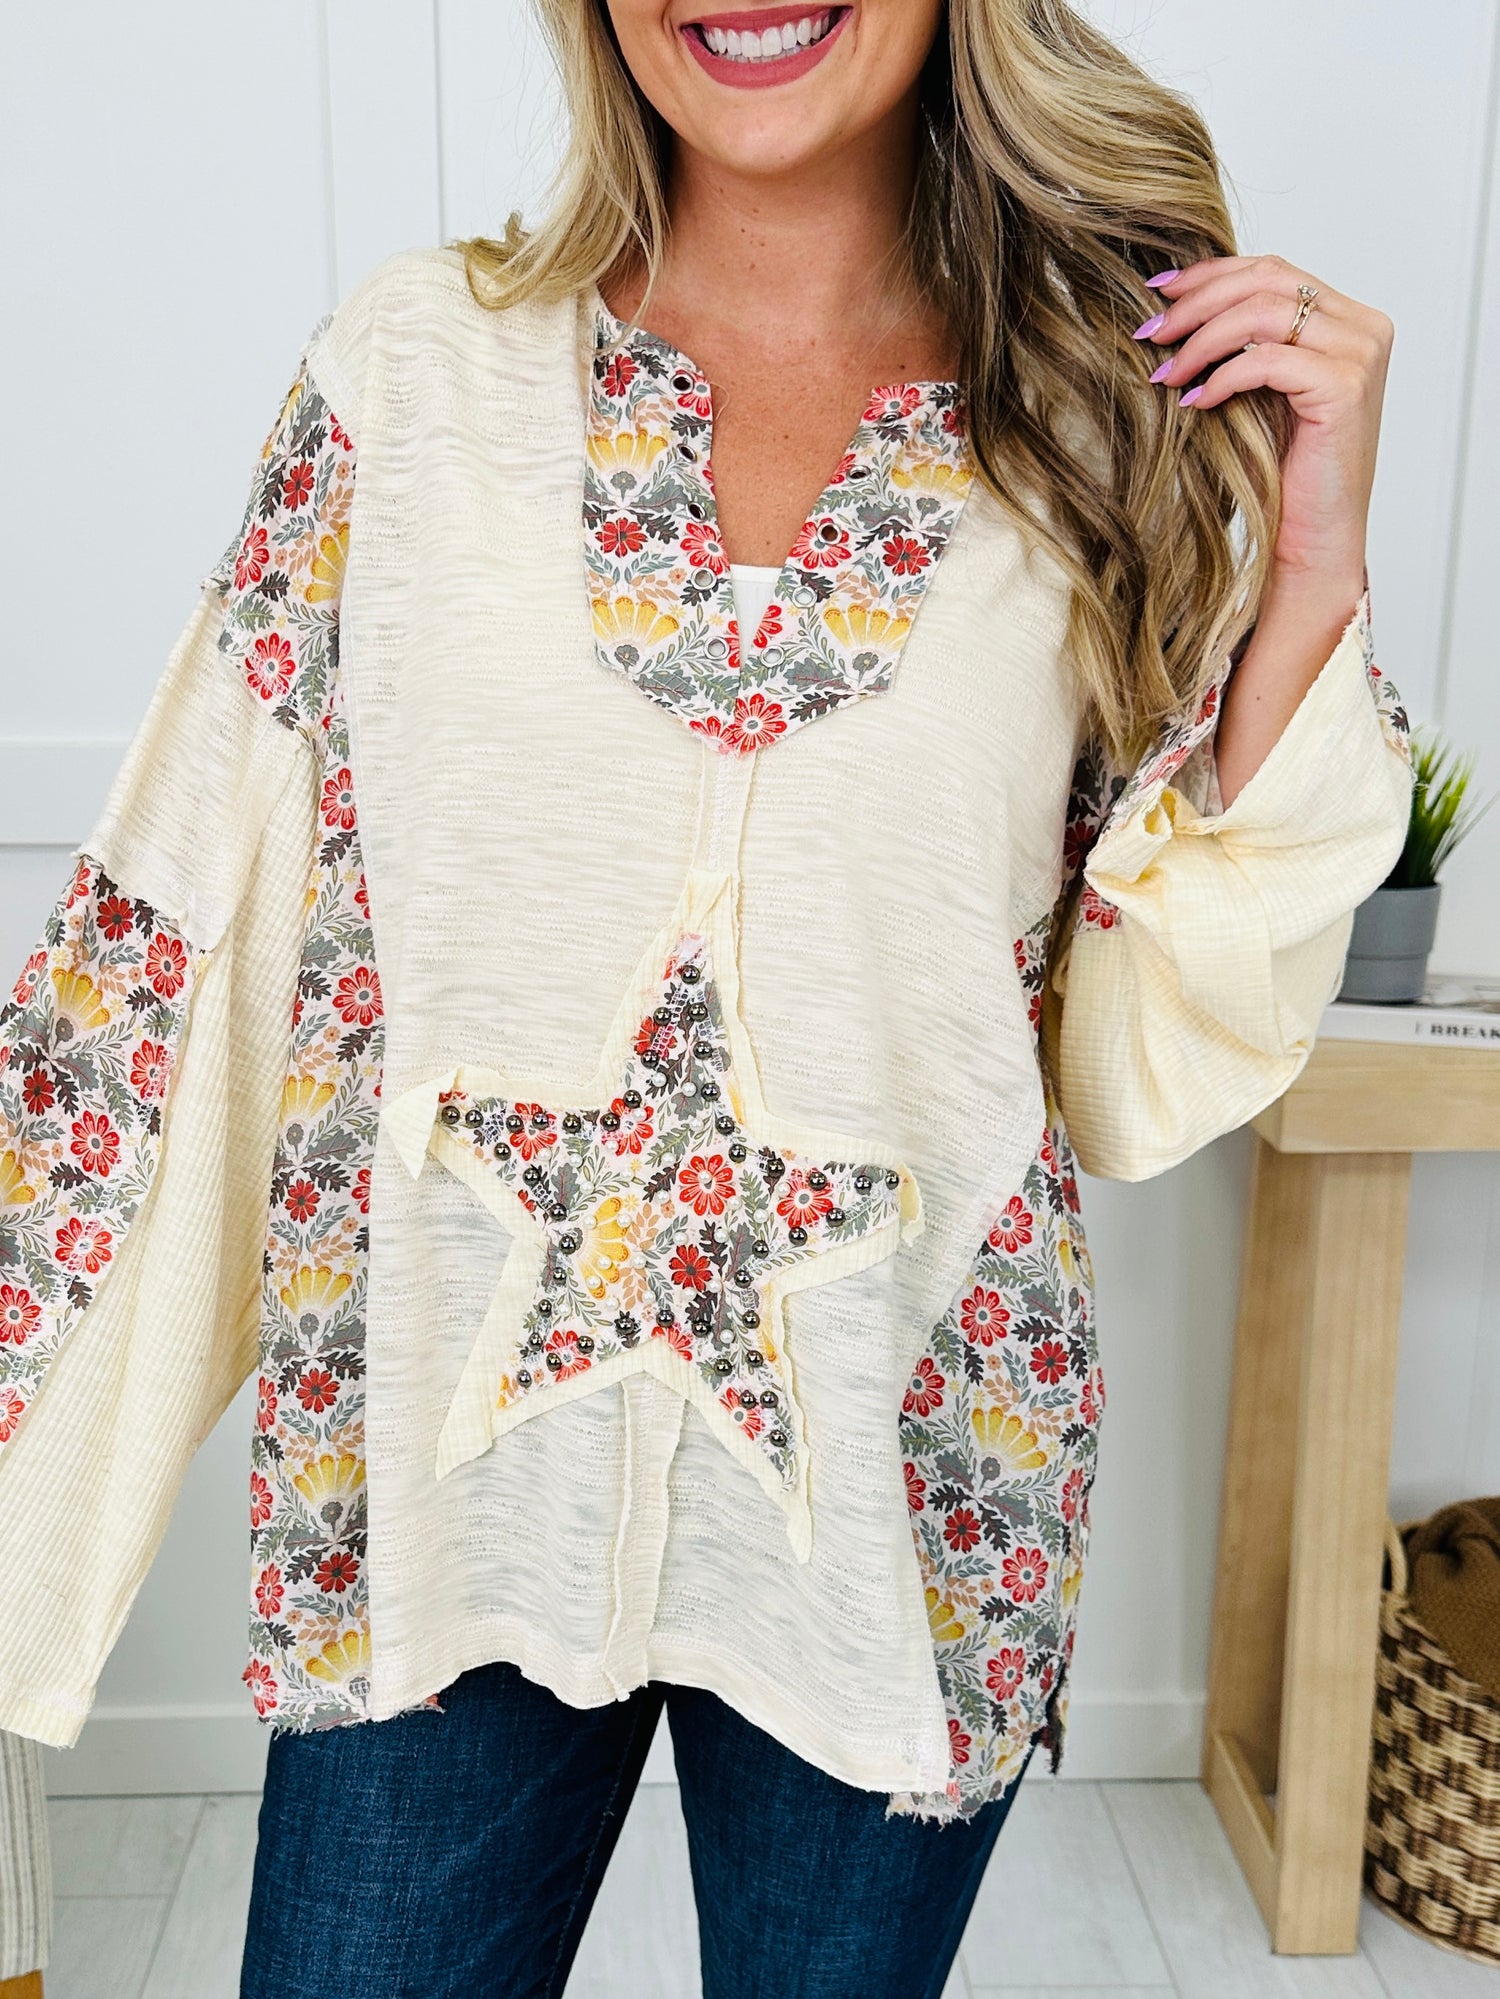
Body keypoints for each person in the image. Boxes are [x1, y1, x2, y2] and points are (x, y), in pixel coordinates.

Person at [0, 2, 1413, 1994]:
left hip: (910, 1498)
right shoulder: (412, 377)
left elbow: (1139, 1056)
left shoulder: (1102, 428)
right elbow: (174, 936)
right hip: (445, 1512)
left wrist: (1317, 549)